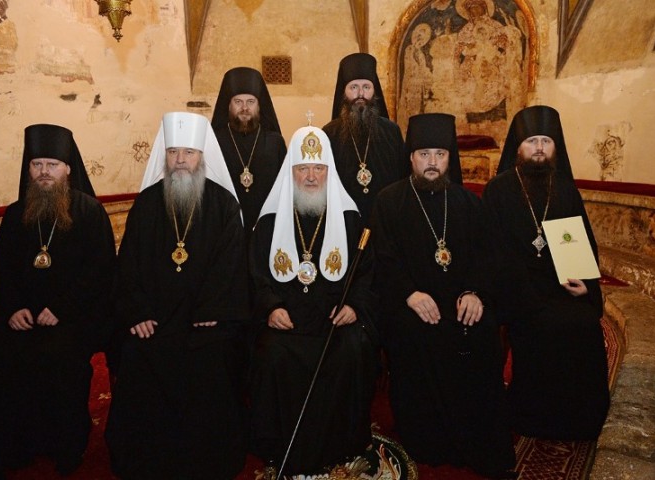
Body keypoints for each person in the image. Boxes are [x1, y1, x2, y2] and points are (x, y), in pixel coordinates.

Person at [104, 111, 250, 479]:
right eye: (173, 152)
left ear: (202, 156)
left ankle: (207, 460)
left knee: (212, 361)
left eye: (188, 152)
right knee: (137, 355)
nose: (180, 160)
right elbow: (128, 264)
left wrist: (211, 309)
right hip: (153, 320)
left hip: (205, 321)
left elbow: (230, 264)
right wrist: (137, 312)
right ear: (165, 157)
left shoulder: (224, 204)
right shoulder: (147, 203)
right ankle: (145, 459)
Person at [370, 114, 516, 478]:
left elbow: (487, 257)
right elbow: (382, 259)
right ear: (411, 158)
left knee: (480, 330)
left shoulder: (468, 204)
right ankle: (429, 439)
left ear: (451, 158)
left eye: (440, 154)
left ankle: (474, 437)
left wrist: (475, 293)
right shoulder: (389, 201)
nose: (432, 162)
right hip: (410, 302)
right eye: (424, 154)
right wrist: (410, 294)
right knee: (416, 334)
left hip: (459, 300)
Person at [0, 124, 116, 479]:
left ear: (68, 169)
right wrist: (11, 309)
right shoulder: (15, 213)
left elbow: (100, 273)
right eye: (37, 165)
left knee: (58, 355)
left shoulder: (90, 212)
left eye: (52, 164)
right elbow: (1, 271)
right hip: (21, 315)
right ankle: (10, 444)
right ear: (29, 169)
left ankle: (65, 443)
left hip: (73, 318)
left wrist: (62, 309)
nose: (45, 172)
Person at [249, 126, 378, 477]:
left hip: (334, 320)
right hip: (287, 321)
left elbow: (365, 273)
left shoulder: (350, 219)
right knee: (272, 353)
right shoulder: (270, 221)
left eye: (318, 168)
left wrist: (354, 306)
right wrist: (271, 307)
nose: (310, 176)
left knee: (353, 350)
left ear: (328, 171)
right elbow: (256, 274)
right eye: (303, 168)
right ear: (290, 171)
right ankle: (278, 444)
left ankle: (344, 444)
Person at [482, 105, 610, 440]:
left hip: (560, 285)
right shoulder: (498, 190)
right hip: (516, 288)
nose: (539, 148)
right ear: (518, 147)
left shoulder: (564, 189)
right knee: (542, 324)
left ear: (555, 147)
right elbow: (493, 251)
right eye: (532, 141)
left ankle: (579, 420)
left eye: (546, 141)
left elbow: (582, 243)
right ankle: (533, 417)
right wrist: (524, 292)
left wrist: (587, 285)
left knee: (584, 322)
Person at [323, 52, 409, 223]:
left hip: (385, 218)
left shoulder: (391, 131)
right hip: (344, 220)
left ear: (374, 91)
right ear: (344, 92)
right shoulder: (329, 133)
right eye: (354, 87)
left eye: (366, 87)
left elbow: (403, 178)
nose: (360, 94)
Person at [211, 66, 287, 237]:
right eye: (238, 102)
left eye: (250, 102)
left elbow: (285, 188)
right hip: (225, 230)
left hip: (267, 229)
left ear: (259, 106)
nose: (244, 108)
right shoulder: (214, 141)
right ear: (228, 105)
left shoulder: (275, 142)